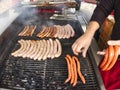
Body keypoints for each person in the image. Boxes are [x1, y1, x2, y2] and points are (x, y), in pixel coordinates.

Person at [72, 0, 120, 89]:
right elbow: (103, 8)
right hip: (112, 56)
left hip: (114, 53)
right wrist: (88, 34)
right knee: (100, 83)